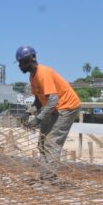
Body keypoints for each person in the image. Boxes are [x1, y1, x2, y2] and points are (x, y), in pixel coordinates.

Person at [16, 46, 81, 184]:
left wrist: (38, 119)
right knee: (42, 143)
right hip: (53, 108)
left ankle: (50, 179)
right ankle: (46, 175)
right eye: (19, 62)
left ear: (31, 59)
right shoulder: (33, 77)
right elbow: (39, 100)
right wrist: (28, 113)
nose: (20, 65)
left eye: (22, 62)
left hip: (66, 107)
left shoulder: (43, 73)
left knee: (51, 142)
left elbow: (53, 100)